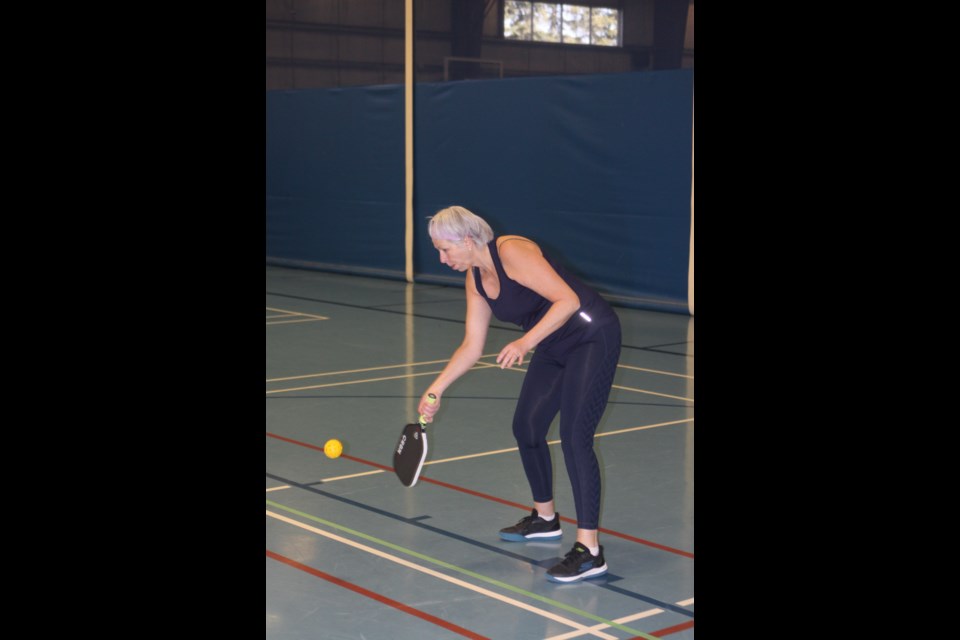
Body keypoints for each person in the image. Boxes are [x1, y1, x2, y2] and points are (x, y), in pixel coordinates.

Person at [417, 205, 622, 583]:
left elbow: (568, 301)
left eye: (445, 250)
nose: (442, 259)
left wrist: (525, 342)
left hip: (591, 336)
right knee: (527, 427)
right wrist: (436, 389)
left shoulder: (512, 251)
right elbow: (472, 345)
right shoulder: (475, 279)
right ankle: (545, 519)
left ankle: (590, 551)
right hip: (553, 344)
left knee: (576, 438)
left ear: (466, 240)